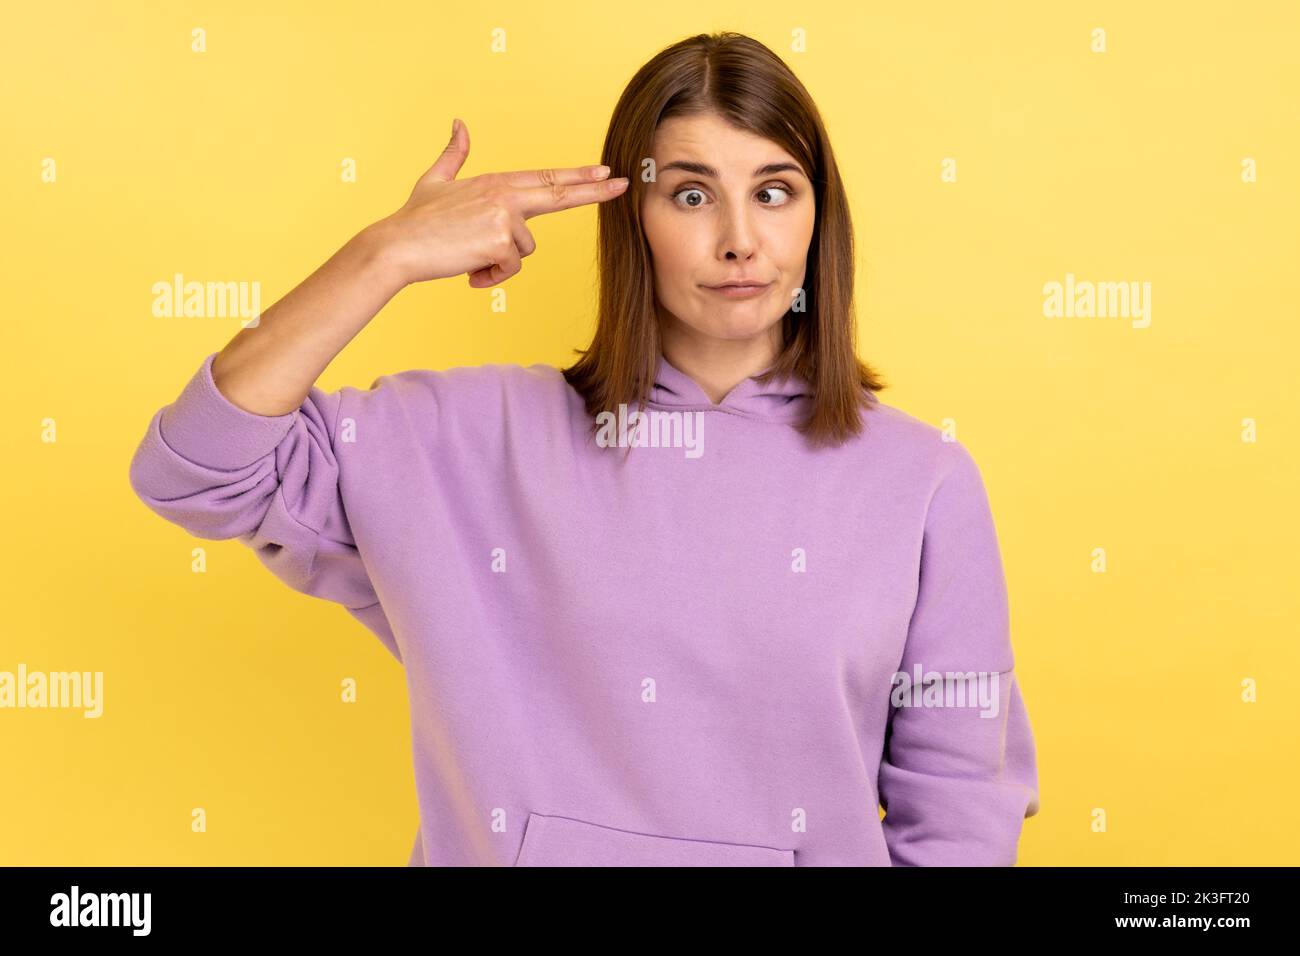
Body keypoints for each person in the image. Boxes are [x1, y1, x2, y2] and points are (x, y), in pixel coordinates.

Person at [128, 31, 1039, 866]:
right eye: (691, 194)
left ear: (816, 217)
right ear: (629, 218)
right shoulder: (468, 441)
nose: (739, 240)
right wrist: (387, 253)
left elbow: (960, 809)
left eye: (773, 191)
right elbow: (194, 468)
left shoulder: (921, 481)